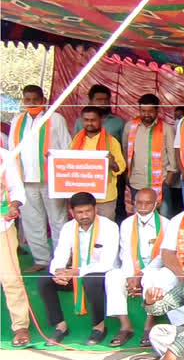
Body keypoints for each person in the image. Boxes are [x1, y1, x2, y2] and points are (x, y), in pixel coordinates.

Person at [41, 192, 119, 346]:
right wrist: (59, 272)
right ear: (72, 212)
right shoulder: (68, 228)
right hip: (75, 272)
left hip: (103, 274)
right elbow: (60, 254)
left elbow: (107, 263)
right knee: (44, 281)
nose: (84, 216)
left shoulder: (110, 227)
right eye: (79, 212)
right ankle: (60, 326)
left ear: (95, 209)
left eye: (88, 211)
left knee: (92, 279)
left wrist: (75, 272)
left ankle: (99, 328)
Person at [9, 86, 71, 273]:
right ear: (23, 101)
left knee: (58, 220)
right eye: (27, 99)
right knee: (31, 221)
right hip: (25, 180)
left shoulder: (56, 118)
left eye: (35, 99)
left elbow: (66, 147)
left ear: (43, 100)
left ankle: (62, 260)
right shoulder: (17, 120)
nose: (31, 103)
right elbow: (13, 149)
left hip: (51, 180)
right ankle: (41, 259)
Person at [104, 188, 170, 347]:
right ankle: (125, 326)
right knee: (112, 275)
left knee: (154, 276)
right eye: (139, 202)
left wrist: (141, 274)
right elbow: (125, 252)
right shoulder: (127, 224)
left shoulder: (166, 224)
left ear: (156, 204)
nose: (142, 206)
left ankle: (149, 325)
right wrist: (130, 276)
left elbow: (163, 255)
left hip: (154, 268)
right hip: (132, 268)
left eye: (147, 203)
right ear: (134, 203)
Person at [122, 98, 177, 219]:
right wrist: (128, 175)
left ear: (157, 111)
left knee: (164, 218)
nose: (146, 114)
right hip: (137, 182)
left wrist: (167, 181)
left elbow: (173, 156)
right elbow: (125, 151)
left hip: (161, 182)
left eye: (150, 111)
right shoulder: (130, 127)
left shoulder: (166, 128)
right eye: (143, 111)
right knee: (139, 218)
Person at [70, 106, 126, 221]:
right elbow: (70, 164)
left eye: (93, 120)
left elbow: (120, 167)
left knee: (105, 230)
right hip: (83, 196)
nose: (89, 123)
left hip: (105, 197)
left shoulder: (111, 142)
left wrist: (113, 163)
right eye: (86, 120)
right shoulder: (77, 140)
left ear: (101, 120)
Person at [0, 146, 31, 346]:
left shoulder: (3, 156)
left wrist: (14, 206)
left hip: (2, 226)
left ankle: (20, 326)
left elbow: (17, 189)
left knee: (10, 277)